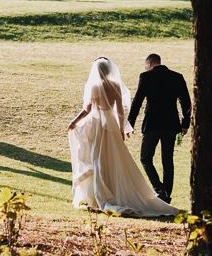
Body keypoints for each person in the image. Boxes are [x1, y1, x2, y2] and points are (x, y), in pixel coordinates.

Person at [67, 57, 178, 217]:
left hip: (98, 124)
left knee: (98, 158)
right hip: (111, 124)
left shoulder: (95, 87)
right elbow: (119, 111)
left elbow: (88, 109)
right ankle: (112, 191)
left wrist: (74, 121)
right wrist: (120, 129)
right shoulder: (116, 86)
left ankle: (99, 195)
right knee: (114, 158)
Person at [127, 53, 192, 204]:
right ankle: (166, 193)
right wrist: (185, 123)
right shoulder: (177, 77)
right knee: (167, 160)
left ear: (149, 63)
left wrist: (130, 123)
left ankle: (160, 189)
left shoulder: (145, 77)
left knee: (145, 157)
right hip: (171, 125)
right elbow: (186, 102)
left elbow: (137, 102)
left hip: (152, 124)